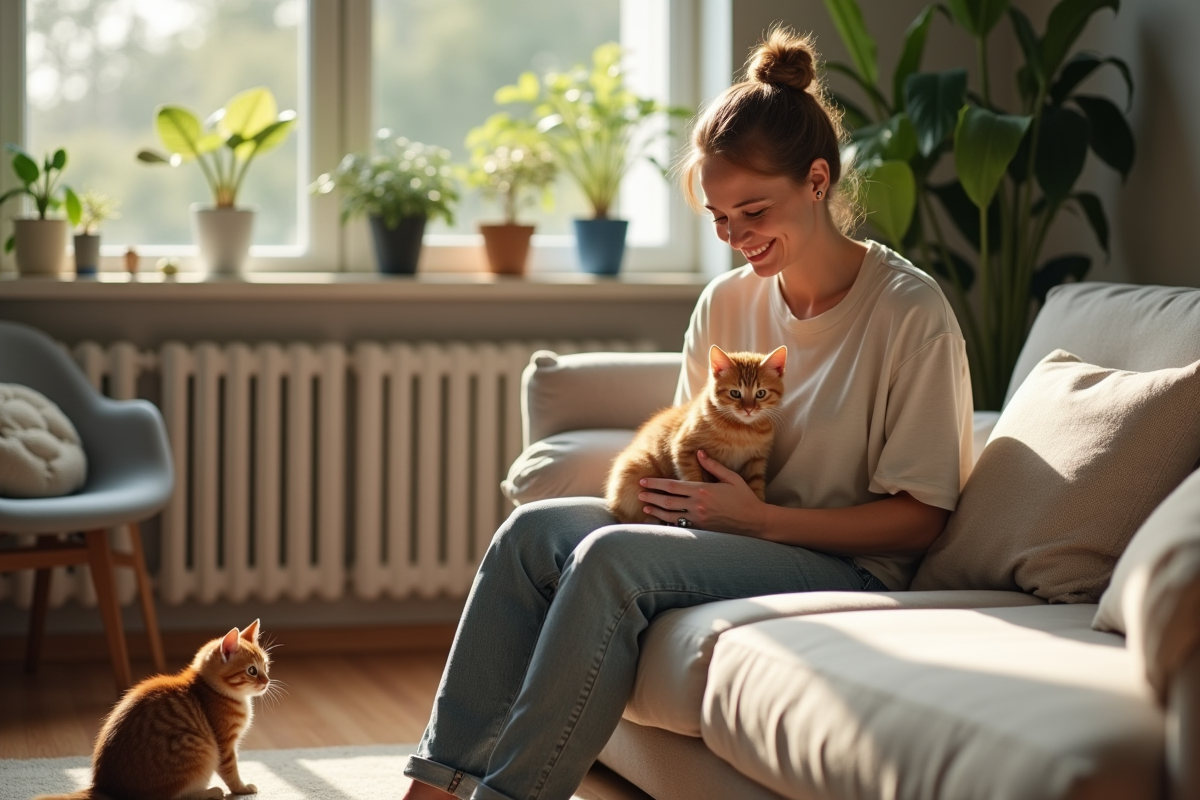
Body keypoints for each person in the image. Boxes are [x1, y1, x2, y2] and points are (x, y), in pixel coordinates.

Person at [402, 27, 973, 800]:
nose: (736, 239)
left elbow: (922, 520)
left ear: (817, 180)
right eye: (718, 218)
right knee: (531, 534)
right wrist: (684, 506)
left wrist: (761, 520)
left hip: (845, 563)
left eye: (753, 211)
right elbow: (690, 446)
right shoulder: (726, 302)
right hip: (724, 534)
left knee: (612, 560)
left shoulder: (909, 312)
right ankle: (430, 789)